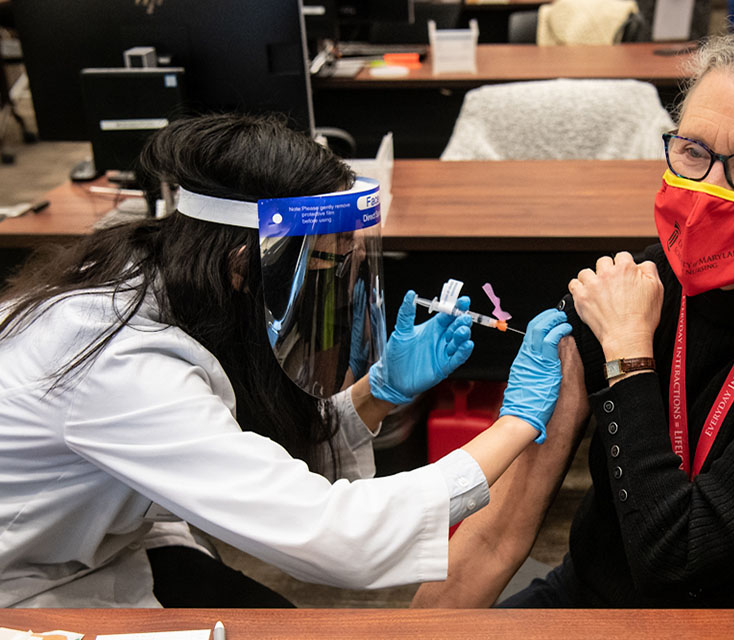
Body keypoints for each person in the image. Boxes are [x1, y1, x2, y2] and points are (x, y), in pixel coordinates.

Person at [412, 22, 734, 608]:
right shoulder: (626, 288)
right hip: (588, 598)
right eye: (693, 152)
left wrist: (628, 357)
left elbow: (679, 562)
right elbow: (500, 529)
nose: (709, 190)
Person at [0, 113, 573, 607]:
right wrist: (517, 421)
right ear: (241, 268)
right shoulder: (118, 365)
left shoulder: (165, 279)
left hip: (95, 543)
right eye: (323, 269)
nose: (339, 291)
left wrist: (376, 394)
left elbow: (253, 457)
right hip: (26, 582)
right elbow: (332, 536)